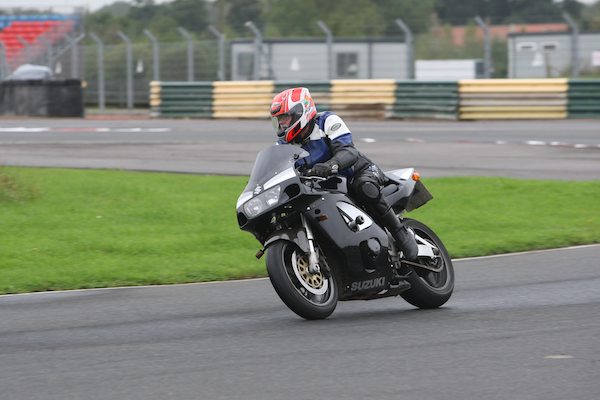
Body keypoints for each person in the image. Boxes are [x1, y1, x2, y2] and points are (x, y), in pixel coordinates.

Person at [270, 87, 418, 261]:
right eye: (279, 120)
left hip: (357, 172)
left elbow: (348, 151)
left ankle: (400, 233)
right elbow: (277, 170)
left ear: (301, 112)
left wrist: (330, 165)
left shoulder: (327, 121)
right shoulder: (282, 145)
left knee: (364, 187)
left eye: (285, 118)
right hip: (325, 186)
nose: (282, 124)